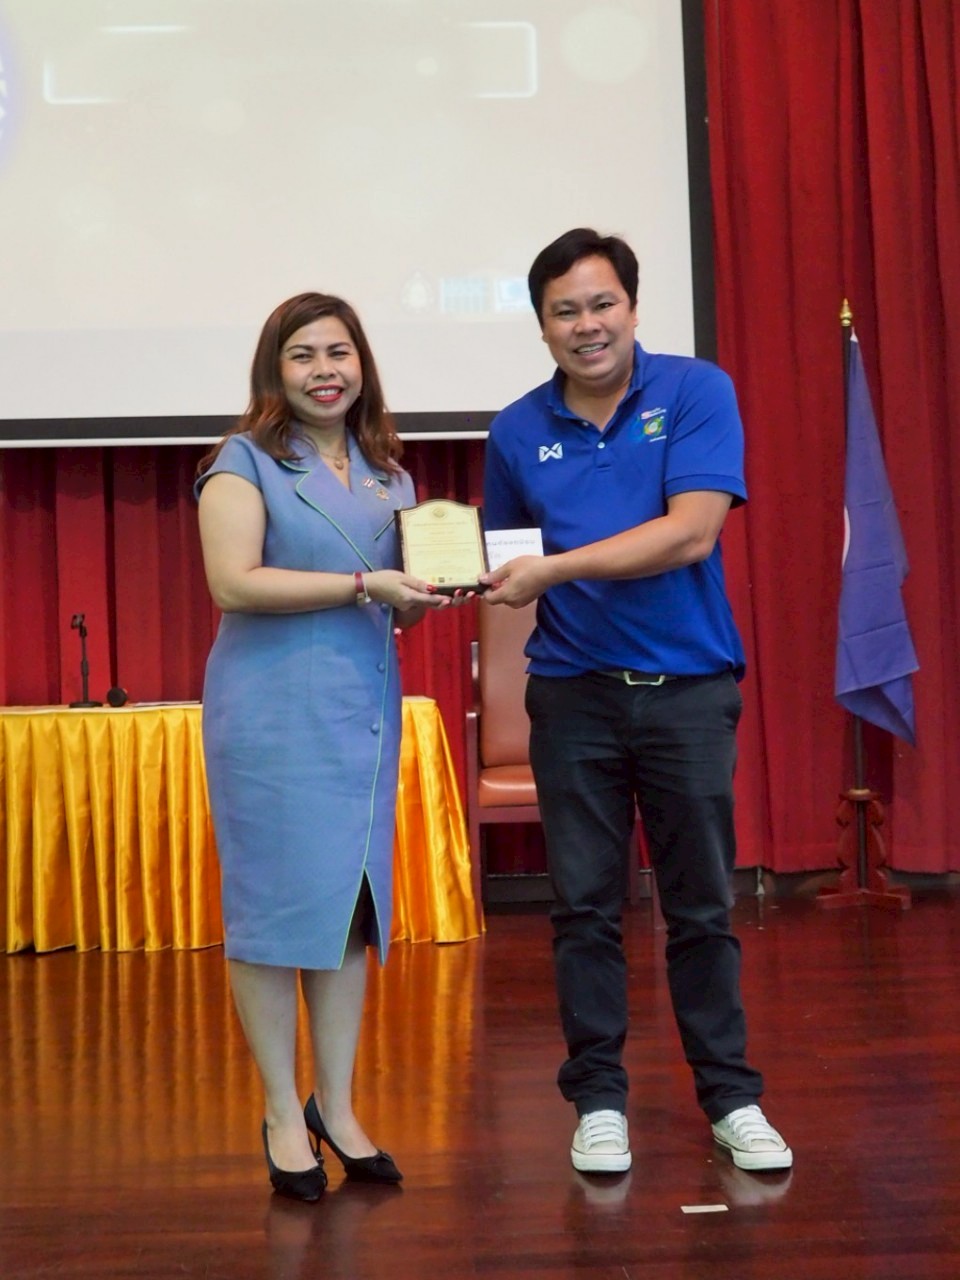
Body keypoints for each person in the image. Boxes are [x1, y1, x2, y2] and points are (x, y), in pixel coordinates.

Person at [480, 229, 792, 1176]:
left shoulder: (695, 392)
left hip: (688, 692)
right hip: (572, 696)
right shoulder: (515, 429)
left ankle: (731, 1098)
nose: (587, 325)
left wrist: (554, 570)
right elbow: (505, 561)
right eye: (564, 311)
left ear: (633, 307)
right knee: (583, 909)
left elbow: (690, 534)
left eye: (601, 303)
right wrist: (458, 578)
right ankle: (599, 1102)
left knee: (700, 906)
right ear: (541, 327)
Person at [196, 292, 455, 1201]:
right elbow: (233, 582)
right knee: (273, 918)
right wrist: (363, 585)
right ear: (276, 371)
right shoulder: (242, 461)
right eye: (302, 355)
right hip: (270, 719)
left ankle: (335, 1107)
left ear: (362, 363)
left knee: (351, 911)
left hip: (360, 715)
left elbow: (392, 593)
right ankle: (280, 1110)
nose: (324, 371)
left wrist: (424, 595)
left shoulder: (392, 476)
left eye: (338, 352)